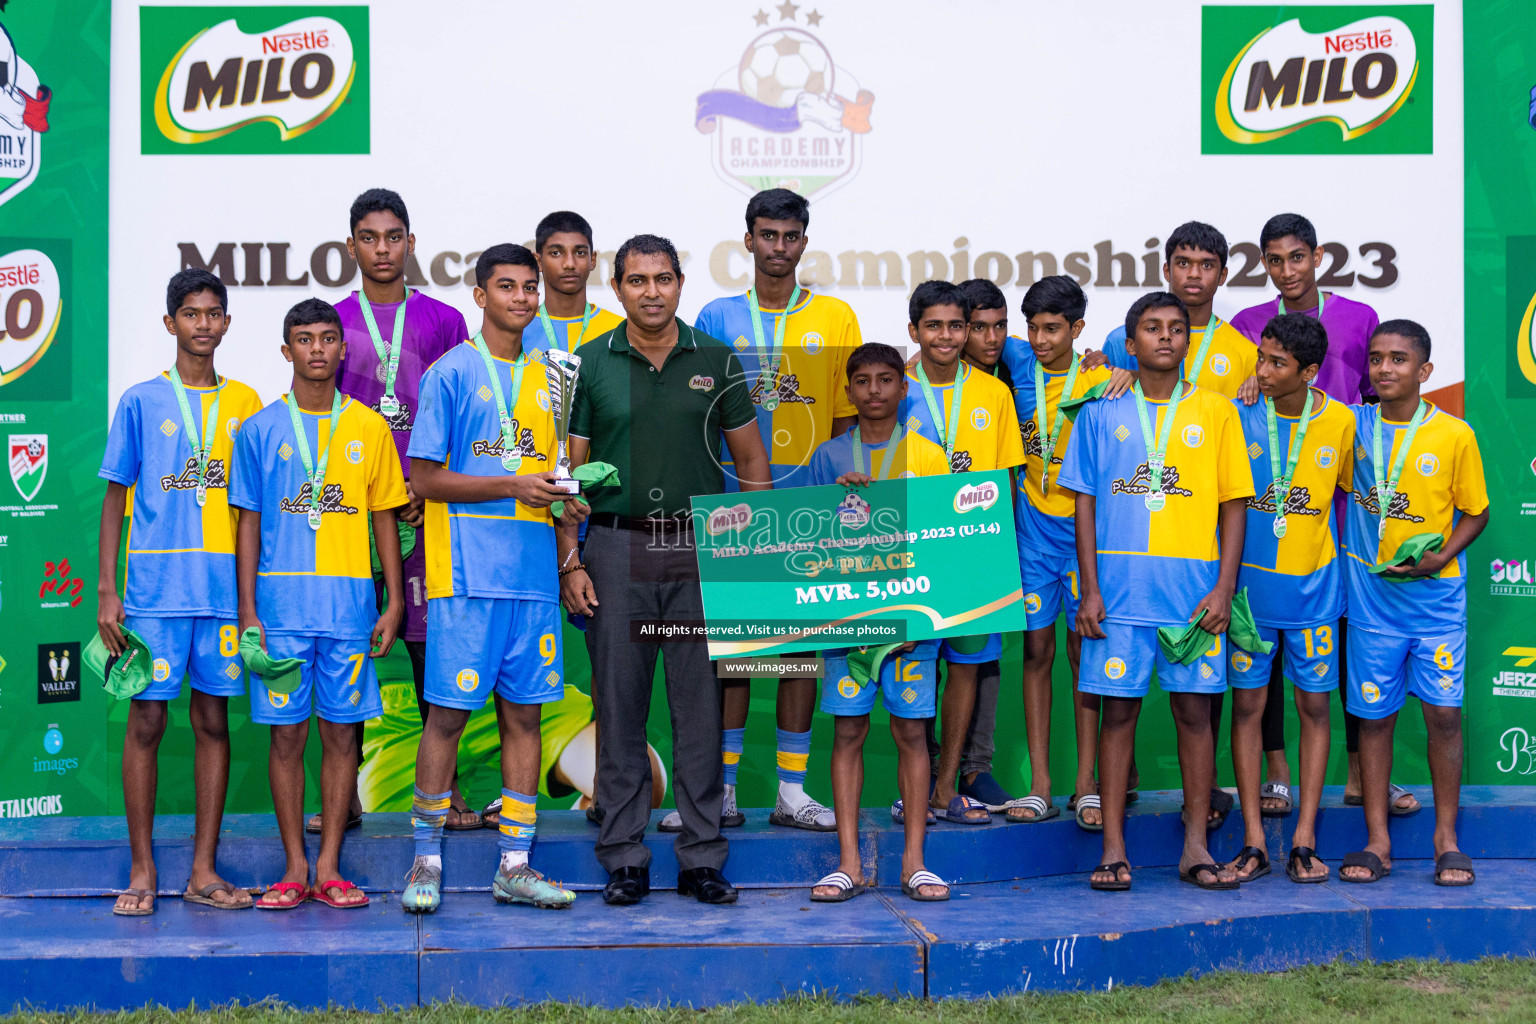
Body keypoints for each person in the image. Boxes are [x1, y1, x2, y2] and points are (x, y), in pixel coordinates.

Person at [560, 234, 771, 906]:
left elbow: (753, 468)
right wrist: (571, 561)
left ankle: (702, 858)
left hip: (703, 550)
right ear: (616, 288)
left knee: (699, 711)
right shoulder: (590, 363)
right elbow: (569, 477)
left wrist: (754, 560)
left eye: (663, 279)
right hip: (615, 550)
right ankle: (624, 856)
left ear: (681, 283)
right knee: (618, 710)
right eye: (636, 280)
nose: (650, 291)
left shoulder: (715, 357)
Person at [397, 245, 589, 913]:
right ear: (480, 296)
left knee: (525, 718)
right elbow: (422, 479)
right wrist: (511, 482)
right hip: (465, 579)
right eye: (507, 286)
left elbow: (560, 479)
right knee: (447, 717)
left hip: (533, 581)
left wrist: (570, 519)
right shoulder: (450, 373)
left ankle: (514, 863)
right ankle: (424, 859)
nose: (523, 297)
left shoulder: (556, 378)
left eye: (530, 287)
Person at [1058, 291, 1253, 891]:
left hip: (1191, 596)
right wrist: (1089, 589)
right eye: (1152, 327)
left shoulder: (1218, 412)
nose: (1165, 337)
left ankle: (1195, 846)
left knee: (1196, 716)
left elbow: (1234, 505)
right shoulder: (1098, 411)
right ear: (1130, 340)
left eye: (1175, 328)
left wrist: (1223, 588)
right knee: (1117, 715)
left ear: (1187, 341)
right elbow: (1084, 503)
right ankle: (1113, 849)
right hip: (1116, 595)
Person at [686, 188, 860, 833]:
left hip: (808, 510)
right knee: (734, 654)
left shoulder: (837, 317)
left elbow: (847, 422)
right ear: (748, 241)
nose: (778, 247)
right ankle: (725, 790)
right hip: (734, 507)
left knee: (797, 655)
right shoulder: (715, 315)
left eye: (790, 236)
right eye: (767, 235)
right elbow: (698, 415)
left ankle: (791, 790)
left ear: (804, 242)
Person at [1229, 213, 1414, 819]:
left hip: (1337, 508)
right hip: (1265, 507)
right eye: (1274, 261)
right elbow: (1233, 399)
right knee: (1266, 658)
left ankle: (1366, 775)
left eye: (1296, 258)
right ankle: (1276, 773)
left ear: (1318, 258)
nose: (1287, 271)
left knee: (1340, 656)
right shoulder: (1246, 326)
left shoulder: (1359, 319)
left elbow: (1374, 404)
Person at [96, 269, 263, 916]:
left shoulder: (247, 403)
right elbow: (115, 498)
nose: (202, 323)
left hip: (222, 595)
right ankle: (142, 870)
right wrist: (109, 590)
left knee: (213, 721)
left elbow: (252, 509)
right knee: (146, 720)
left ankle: (201, 869)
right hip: (155, 596)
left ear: (225, 323)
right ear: (170, 323)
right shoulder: (140, 402)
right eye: (189, 313)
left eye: (213, 313)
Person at [231, 298, 407, 910]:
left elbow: (385, 517)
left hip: (348, 609)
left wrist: (393, 601)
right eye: (303, 339)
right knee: (286, 741)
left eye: (327, 338)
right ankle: (292, 867)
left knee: (340, 738)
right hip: (278, 612)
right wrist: (248, 608)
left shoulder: (369, 427)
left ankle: (329, 866)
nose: (316, 349)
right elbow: (247, 523)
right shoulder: (258, 429)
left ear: (343, 350)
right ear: (287, 350)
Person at [333, 187, 472, 833]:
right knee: (344, 649)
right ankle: (342, 797)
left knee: (429, 653)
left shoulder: (443, 321)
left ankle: (447, 796)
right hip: (353, 515)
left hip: (425, 509)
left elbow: (463, 409)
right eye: (369, 237)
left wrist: (426, 483)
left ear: (411, 242)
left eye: (394, 237)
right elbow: (319, 423)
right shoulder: (332, 321)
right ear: (351, 244)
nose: (382, 249)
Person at [1338, 321, 1486, 887]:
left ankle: (1446, 839)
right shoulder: (1350, 427)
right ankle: (1377, 840)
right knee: (1374, 720)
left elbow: (1477, 512)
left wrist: (1439, 556)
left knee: (1444, 717)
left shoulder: (1454, 434)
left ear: (1424, 371)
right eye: (1376, 358)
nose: (1385, 369)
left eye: (1399, 359)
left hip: (1437, 603)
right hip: (1373, 605)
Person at [805, 343, 953, 903]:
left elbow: (944, 538)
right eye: (862, 381)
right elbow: (808, 539)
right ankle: (848, 862)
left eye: (885, 380)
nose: (874, 391)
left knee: (912, 732)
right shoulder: (828, 456)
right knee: (847, 731)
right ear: (848, 392)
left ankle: (914, 861)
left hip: (913, 617)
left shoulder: (928, 453)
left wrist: (924, 612)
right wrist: (833, 508)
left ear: (903, 388)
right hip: (849, 618)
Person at [1226, 314, 1354, 883]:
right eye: (1262, 358)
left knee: (1315, 709)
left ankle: (1303, 838)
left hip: (1315, 596)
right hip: (1250, 599)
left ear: (1310, 371)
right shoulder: (1240, 411)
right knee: (1249, 709)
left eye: (1278, 363)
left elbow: (1366, 497)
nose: (1264, 370)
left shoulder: (1342, 422)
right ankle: (1254, 839)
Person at [899, 280, 1025, 824]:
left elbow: (1005, 481)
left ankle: (946, 785)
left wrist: (1003, 556)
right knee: (915, 672)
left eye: (957, 326)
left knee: (968, 668)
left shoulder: (995, 395)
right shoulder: (893, 387)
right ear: (914, 331)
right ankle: (918, 783)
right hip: (910, 555)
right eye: (935, 326)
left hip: (975, 555)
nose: (947, 336)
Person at [997, 276, 1113, 827]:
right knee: (1037, 654)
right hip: (1032, 536)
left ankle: (1086, 783)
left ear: (1078, 329)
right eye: (1033, 329)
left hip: (1087, 539)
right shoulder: (1017, 363)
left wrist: (1121, 367)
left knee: (1083, 656)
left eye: (1052, 329)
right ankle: (1041, 783)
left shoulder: (1101, 375)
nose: (1040, 340)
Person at [1100, 222, 1258, 402]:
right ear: (1167, 271)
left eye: (1207, 265)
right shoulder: (1121, 340)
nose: (1194, 274)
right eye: (1183, 263)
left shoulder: (1247, 354)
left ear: (1222, 276)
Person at [525, 210, 625, 356]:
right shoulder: (518, 330)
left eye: (580, 253)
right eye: (556, 253)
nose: (569, 264)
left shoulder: (620, 330)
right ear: (538, 261)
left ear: (593, 259)